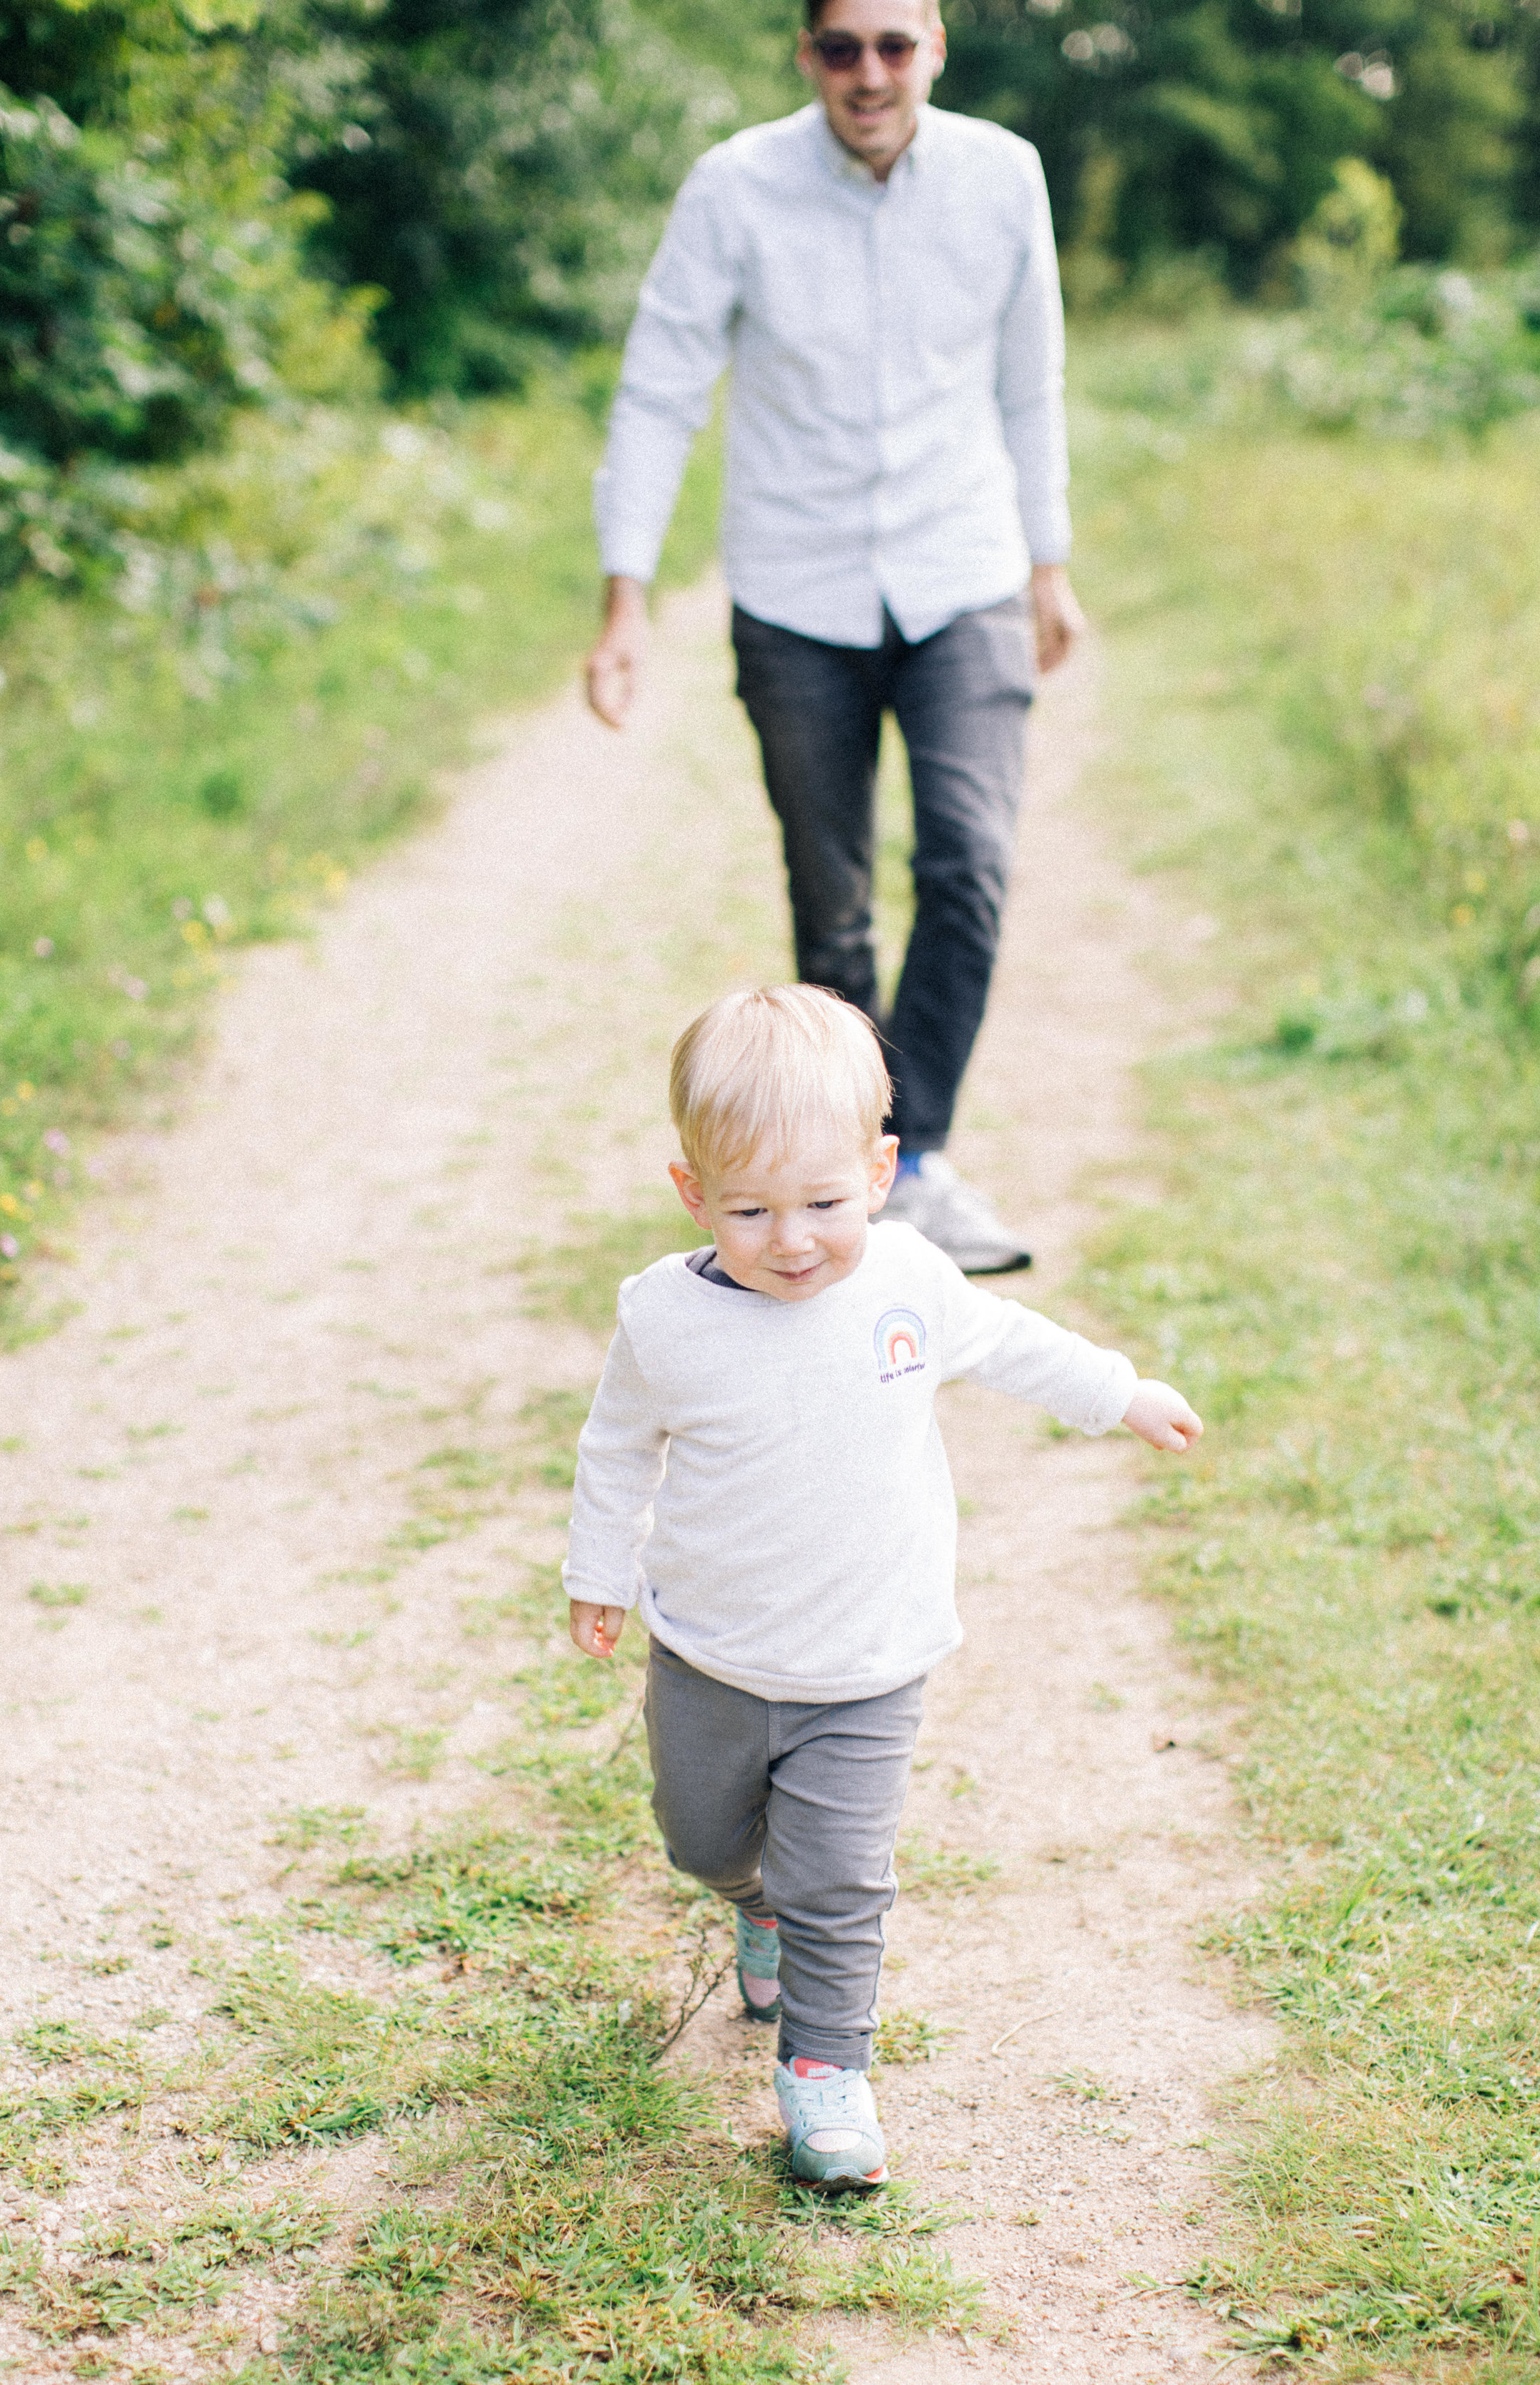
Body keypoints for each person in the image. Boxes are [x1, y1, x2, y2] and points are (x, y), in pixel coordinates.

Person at [562, 985, 1202, 2188]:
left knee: (843, 1876)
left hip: (869, 1659)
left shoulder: (907, 1280)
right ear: (693, 1192)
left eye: (824, 1202)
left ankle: (826, 2072)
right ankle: (755, 1905)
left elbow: (1014, 1342)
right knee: (701, 1839)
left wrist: (1118, 1391)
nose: (794, 1239)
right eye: (750, 1209)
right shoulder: (664, 1319)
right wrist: (601, 1568)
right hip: (710, 1653)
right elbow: (614, 1446)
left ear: (881, 1169)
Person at [585, 0, 1085, 1277]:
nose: (870, 74)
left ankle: (911, 1162)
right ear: (806, 55)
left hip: (962, 571)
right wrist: (626, 595)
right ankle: (852, 1179)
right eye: (841, 48)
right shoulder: (735, 187)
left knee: (970, 866)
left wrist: (1049, 562)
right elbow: (660, 384)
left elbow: (1031, 377)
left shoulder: (1003, 175)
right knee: (835, 907)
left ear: (935, 46)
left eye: (894, 46)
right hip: (797, 591)